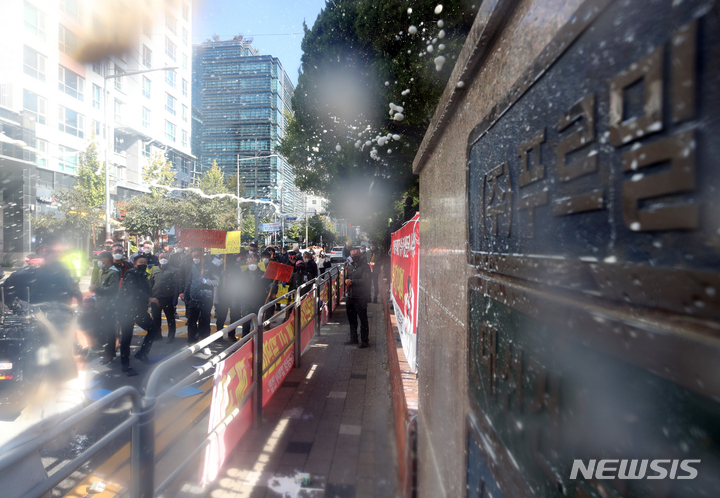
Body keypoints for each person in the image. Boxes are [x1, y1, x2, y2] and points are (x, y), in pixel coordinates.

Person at [119, 255, 161, 366]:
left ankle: (142, 353)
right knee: (127, 337)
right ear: (135, 263)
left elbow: (146, 290)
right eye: (140, 262)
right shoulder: (131, 274)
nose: (143, 264)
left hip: (139, 309)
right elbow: (134, 291)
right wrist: (149, 298)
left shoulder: (144, 275)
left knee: (153, 330)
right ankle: (125, 364)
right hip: (126, 310)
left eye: (145, 262)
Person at [89, 252, 122, 366]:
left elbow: (113, 289)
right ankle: (107, 349)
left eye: (101, 258)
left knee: (109, 330)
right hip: (100, 304)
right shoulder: (101, 271)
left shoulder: (113, 272)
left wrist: (97, 288)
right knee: (102, 328)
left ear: (107, 259)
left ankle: (110, 353)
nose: (99, 260)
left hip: (109, 305)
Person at [184, 249, 220, 344]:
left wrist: (206, 281)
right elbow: (189, 281)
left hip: (206, 298)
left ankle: (204, 341)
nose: (195, 259)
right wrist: (185, 293)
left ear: (201, 256)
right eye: (193, 257)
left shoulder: (211, 266)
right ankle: (192, 339)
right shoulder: (193, 266)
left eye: (197, 257)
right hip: (194, 297)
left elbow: (217, 282)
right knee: (191, 320)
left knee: (204, 321)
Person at [239, 255, 273, 337]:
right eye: (250, 263)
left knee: (258, 323)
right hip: (246, 301)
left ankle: (258, 340)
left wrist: (273, 287)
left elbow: (269, 285)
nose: (252, 265)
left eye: (254, 263)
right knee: (246, 322)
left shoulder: (263, 274)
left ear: (257, 264)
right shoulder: (242, 275)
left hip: (259, 301)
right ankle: (245, 340)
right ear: (247, 264)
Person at [150, 252, 180, 343]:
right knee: (156, 318)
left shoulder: (173, 270)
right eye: (161, 257)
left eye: (165, 257)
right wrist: (150, 296)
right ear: (158, 259)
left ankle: (171, 337)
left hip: (168, 298)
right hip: (156, 298)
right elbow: (150, 284)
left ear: (168, 259)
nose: (163, 259)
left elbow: (176, 285)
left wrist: (175, 297)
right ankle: (158, 335)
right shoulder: (154, 270)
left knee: (170, 318)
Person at [345, 248, 371, 348]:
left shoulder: (365, 267)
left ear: (360, 256)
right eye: (352, 256)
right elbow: (346, 277)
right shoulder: (349, 266)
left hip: (361, 297)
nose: (354, 257)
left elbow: (365, 280)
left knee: (363, 320)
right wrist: (346, 281)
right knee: (352, 319)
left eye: (356, 256)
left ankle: (365, 341)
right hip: (350, 296)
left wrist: (352, 282)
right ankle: (353, 338)